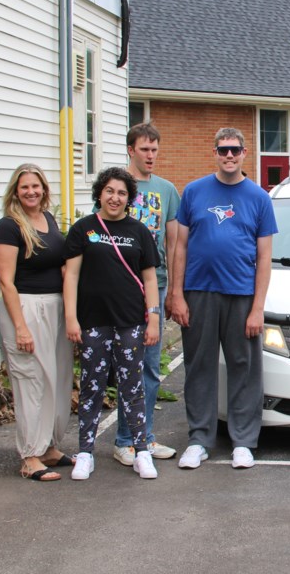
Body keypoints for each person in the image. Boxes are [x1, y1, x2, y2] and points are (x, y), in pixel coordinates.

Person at [171, 128, 277, 470]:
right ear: (214, 153)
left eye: (235, 150)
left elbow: (264, 257)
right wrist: (177, 295)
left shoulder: (259, 197)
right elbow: (180, 246)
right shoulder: (194, 192)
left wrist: (258, 308)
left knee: (244, 369)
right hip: (199, 292)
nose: (229, 156)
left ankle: (243, 442)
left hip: (242, 295)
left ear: (245, 153)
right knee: (198, 366)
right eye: (223, 150)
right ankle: (199, 440)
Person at [63, 167, 162, 481]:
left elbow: (149, 278)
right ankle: (85, 453)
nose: (115, 198)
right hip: (93, 322)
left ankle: (141, 451)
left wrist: (154, 319)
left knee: (133, 389)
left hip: (130, 322)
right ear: (99, 194)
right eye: (109, 191)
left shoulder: (139, 231)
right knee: (92, 388)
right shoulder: (84, 230)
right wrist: (71, 318)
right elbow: (72, 276)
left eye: (121, 193)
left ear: (128, 198)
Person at [0, 164, 75, 481]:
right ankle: (30, 455)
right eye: (25, 187)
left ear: (44, 189)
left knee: (57, 380)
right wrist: (21, 327)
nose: (31, 192)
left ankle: (49, 448)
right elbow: (6, 282)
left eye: (36, 186)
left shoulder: (48, 219)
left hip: (54, 307)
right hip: (25, 308)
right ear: (16, 191)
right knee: (32, 382)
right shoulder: (9, 226)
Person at [111, 123, 181, 467]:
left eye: (155, 150)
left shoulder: (167, 191)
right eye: (144, 150)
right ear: (131, 150)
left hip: (158, 283)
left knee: (151, 366)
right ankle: (124, 440)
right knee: (128, 365)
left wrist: (173, 291)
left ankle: (145, 438)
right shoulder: (117, 186)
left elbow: (173, 242)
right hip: (123, 287)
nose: (150, 156)